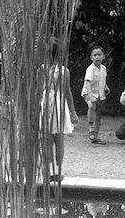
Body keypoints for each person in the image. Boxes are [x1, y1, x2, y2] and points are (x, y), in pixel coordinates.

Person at [40, 43, 78, 182]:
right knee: (51, 139)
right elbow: (67, 93)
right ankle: (50, 171)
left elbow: (67, 91)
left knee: (57, 139)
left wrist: (73, 112)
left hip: (56, 102)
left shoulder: (63, 71)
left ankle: (56, 170)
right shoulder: (44, 69)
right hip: (48, 103)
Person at [81, 46, 109, 145]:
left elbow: (102, 79)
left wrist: (106, 87)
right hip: (88, 92)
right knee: (91, 106)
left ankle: (95, 136)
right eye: (95, 55)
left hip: (99, 94)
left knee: (98, 114)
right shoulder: (90, 69)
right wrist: (90, 96)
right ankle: (90, 127)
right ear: (91, 57)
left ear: (103, 57)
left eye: (99, 55)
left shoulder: (103, 68)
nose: (97, 57)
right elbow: (88, 83)